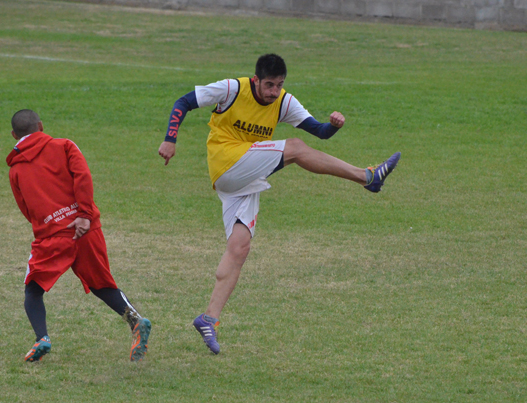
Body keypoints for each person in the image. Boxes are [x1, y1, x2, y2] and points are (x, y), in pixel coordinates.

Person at [158, 54, 401, 354]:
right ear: (256, 80)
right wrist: (171, 139)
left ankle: (210, 318)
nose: (274, 91)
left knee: (239, 247)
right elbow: (184, 102)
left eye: (280, 85)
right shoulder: (232, 89)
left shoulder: (283, 102)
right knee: (295, 148)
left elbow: (319, 131)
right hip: (226, 162)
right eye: (269, 85)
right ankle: (367, 177)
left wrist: (334, 125)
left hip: (245, 176)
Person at [7, 109, 151, 362]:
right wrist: (83, 214)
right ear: (41, 126)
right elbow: (82, 176)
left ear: (13, 135)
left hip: (52, 237)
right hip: (87, 230)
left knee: (33, 290)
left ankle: (42, 338)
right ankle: (136, 321)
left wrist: (50, 224)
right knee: (102, 285)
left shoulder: (15, 170)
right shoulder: (64, 146)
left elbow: (26, 208)